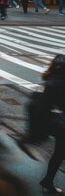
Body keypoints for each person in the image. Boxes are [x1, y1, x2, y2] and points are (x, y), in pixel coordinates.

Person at [38, 55, 65, 195]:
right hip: (61, 125)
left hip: (57, 123)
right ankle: (47, 182)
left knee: (59, 154)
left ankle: (47, 181)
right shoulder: (58, 83)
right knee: (59, 154)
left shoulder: (51, 81)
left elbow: (44, 107)